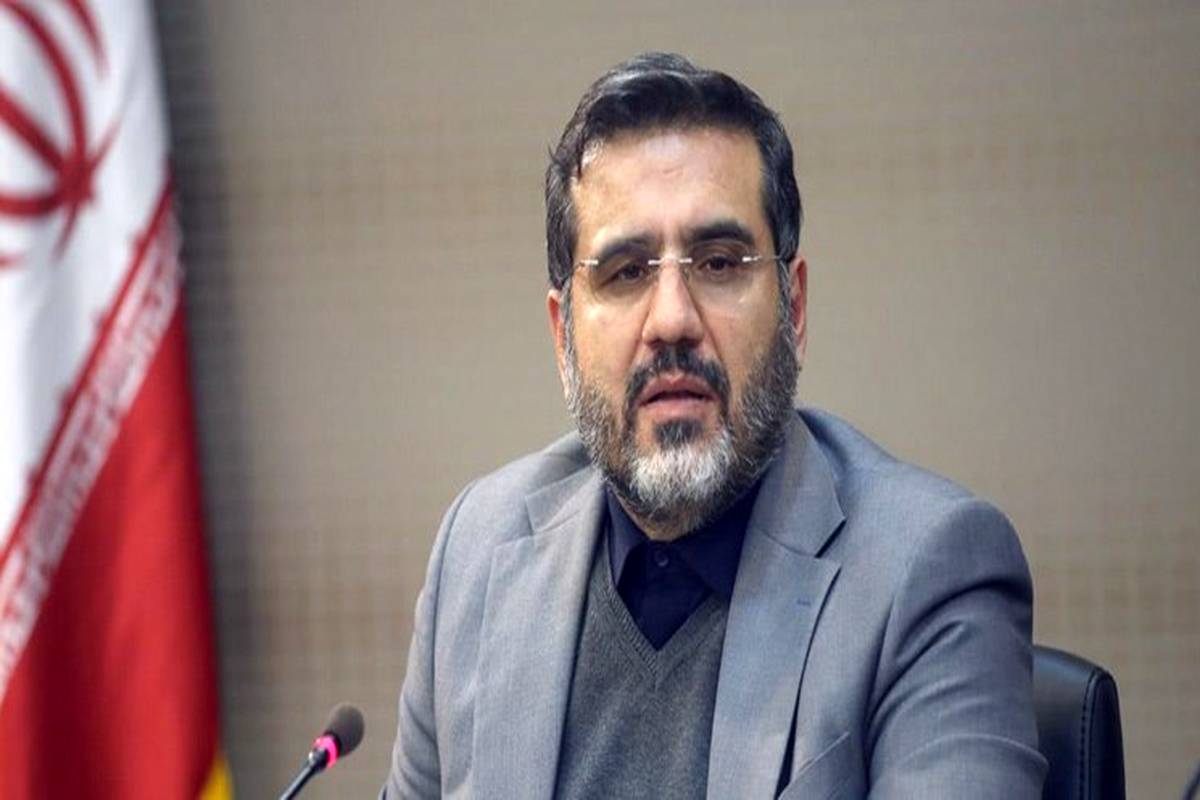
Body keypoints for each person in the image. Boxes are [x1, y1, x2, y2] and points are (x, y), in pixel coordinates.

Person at [383, 52, 1046, 799]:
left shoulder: (926, 571)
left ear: (794, 309)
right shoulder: (477, 554)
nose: (672, 320)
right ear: (562, 336)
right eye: (626, 272)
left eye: (720, 263)